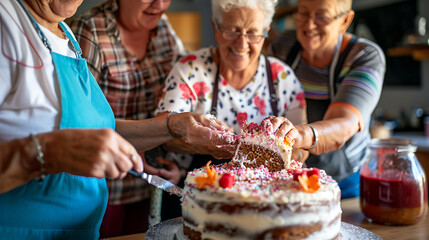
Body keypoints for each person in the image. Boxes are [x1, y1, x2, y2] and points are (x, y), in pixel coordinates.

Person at [0, 0, 237, 239]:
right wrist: (51, 152)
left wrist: (174, 126)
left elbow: (100, 131)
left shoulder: (64, 31)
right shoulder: (5, 23)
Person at [155, 0, 307, 218]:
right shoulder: (189, 69)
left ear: (266, 33)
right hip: (193, 199)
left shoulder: (282, 77)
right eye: (232, 30)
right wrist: (206, 146)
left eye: (253, 32)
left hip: (268, 206)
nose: (242, 42)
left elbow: (301, 150)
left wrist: (283, 144)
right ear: (216, 29)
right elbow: (162, 133)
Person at [69, 0, 184, 236]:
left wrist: (170, 160)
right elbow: (77, 122)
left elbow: (178, 100)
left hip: (149, 187)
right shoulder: (90, 29)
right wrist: (136, 144)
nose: (160, 4)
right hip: (103, 186)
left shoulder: (164, 30)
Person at [270, 0, 386, 198]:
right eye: (303, 13)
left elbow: (344, 123)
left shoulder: (364, 56)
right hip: (289, 174)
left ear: (345, 20)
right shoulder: (283, 47)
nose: (309, 25)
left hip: (345, 180)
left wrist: (299, 135)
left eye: (322, 17)